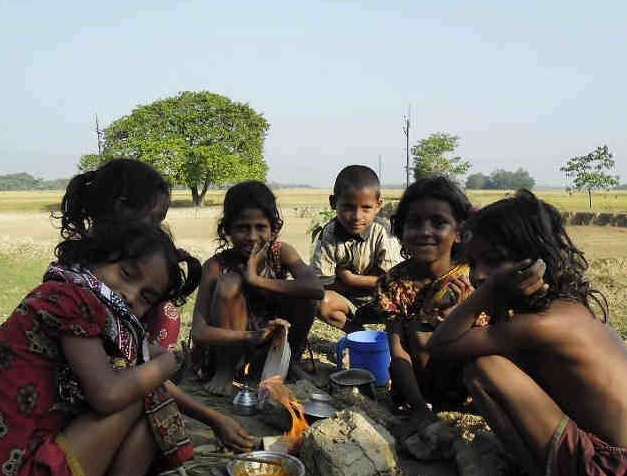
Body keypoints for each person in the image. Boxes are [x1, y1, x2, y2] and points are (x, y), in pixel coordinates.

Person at [0, 163, 256, 476]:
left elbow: (126, 365)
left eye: (146, 296)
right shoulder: (77, 304)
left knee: (139, 383)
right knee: (144, 394)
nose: (130, 295)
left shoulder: (68, 288)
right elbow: (110, 394)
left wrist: (168, 376)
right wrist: (166, 364)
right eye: (126, 274)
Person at [429, 189, 627, 476]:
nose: (480, 274)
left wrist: (488, 292)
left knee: (483, 370)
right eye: (475, 262)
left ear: (535, 263)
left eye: (494, 261)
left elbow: (441, 346)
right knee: (500, 361)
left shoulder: (543, 324)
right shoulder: (566, 307)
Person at [191, 181, 324, 396]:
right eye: (242, 228)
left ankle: (288, 363)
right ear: (227, 230)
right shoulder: (215, 266)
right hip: (235, 345)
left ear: (273, 229)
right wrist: (250, 336)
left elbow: (316, 289)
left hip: (273, 349)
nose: (252, 237)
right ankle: (225, 371)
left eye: (260, 227)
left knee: (304, 293)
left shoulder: (281, 253)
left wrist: (255, 280)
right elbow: (199, 332)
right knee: (230, 283)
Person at [374, 177, 486, 431]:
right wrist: (419, 408)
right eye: (414, 222)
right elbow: (398, 351)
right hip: (418, 388)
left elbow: (490, 344)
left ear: (459, 231)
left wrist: (459, 316)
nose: (425, 232)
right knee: (418, 332)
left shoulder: (475, 279)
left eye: (439, 223)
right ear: (401, 229)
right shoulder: (393, 282)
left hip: (468, 385)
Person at [58, 158, 201, 355]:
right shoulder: (76, 290)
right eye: (153, 219)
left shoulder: (89, 265)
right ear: (118, 207)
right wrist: (161, 365)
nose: (156, 230)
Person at [311, 165, 400, 331]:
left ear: (378, 205)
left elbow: (394, 281)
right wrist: (370, 281)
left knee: (404, 296)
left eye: (366, 208)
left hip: (383, 300)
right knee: (319, 302)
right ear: (333, 203)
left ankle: (392, 338)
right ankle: (358, 335)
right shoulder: (329, 234)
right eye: (348, 207)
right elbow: (323, 283)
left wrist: (350, 279)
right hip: (347, 302)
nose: (357, 217)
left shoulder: (383, 231)